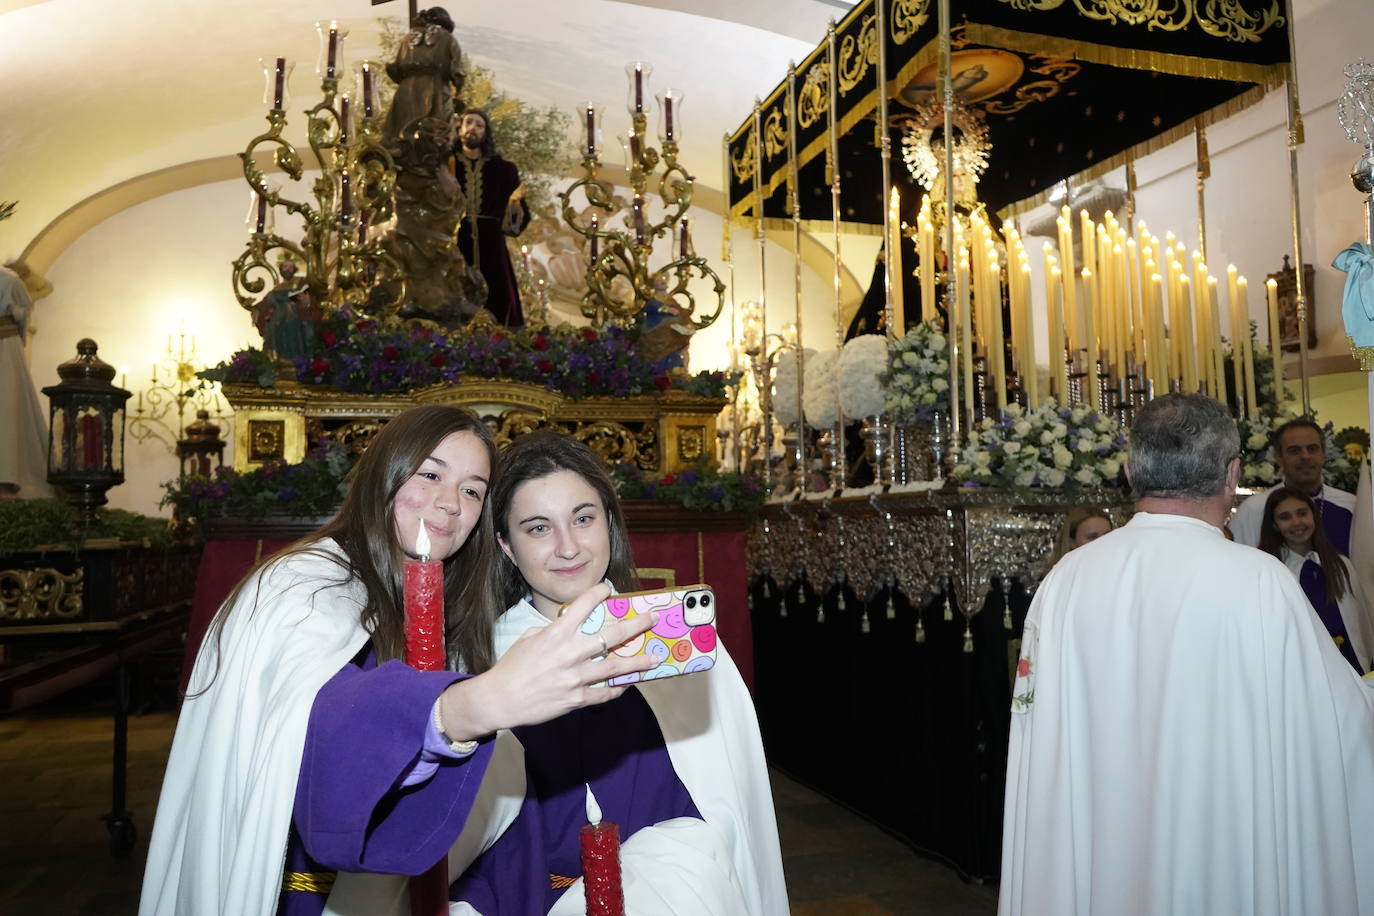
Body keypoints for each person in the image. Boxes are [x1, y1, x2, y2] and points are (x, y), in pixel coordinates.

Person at [140, 407, 661, 916]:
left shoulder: (443, 605)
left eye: (473, 490)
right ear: (383, 476)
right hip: (293, 883)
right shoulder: (302, 587)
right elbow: (324, 721)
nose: (451, 503)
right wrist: (464, 708)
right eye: (431, 474)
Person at [1000, 394, 1374, 916]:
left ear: (1131, 472)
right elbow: (1337, 727)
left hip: (1103, 861)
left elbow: (1044, 745)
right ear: (1231, 476)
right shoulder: (1258, 580)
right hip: (1222, 864)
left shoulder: (1067, 579)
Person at [448, 431, 789, 914]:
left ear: (608, 522)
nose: (568, 548)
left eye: (583, 519)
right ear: (505, 544)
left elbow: (729, 807)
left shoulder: (679, 646)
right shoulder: (483, 663)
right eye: (538, 528)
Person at [1259, 486, 1373, 674]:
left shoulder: (1341, 564)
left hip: (1351, 667)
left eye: (1302, 513)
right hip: (1304, 671)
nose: (1296, 522)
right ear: (1274, 525)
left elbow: (1361, 623)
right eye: (1285, 517)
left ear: (1313, 516)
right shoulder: (1272, 571)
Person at [1228, 418, 1356, 554]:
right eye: (1294, 450)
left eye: (1312, 449)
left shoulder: (1350, 505)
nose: (1305, 456)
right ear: (1279, 459)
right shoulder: (1254, 510)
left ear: (1323, 455)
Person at [452, 109, 530, 326]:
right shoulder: (445, 165)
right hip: (455, 243)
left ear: (485, 134)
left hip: (492, 246)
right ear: (459, 129)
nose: (473, 128)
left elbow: (517, 223)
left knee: (499, 302)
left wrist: (513, 203)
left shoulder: (504, 170)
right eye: (469, 122)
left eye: (479, 125)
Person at [0, 264, 51, 498]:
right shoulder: (11, 281)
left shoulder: (9, 280)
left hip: (5, 348)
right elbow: (22, 318)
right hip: (8, 346)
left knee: (8, 414)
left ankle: (7, 477)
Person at [382, 7, 464, 149]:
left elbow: (396, 68)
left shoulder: (408, 38)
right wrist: (459, 91)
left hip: (406, 91)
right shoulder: (448, 38)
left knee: (399, 134)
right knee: (432, 135)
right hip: (435, 88)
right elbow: (458, 71)